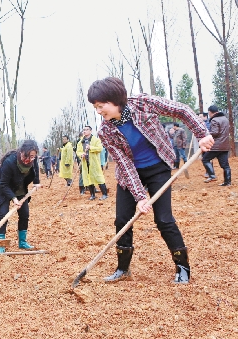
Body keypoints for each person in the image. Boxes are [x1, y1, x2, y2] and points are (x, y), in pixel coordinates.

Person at [87, 77, 213, 284]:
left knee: (163, 219)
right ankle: (122, 268)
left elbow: (180, 110)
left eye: (101, 106)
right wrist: (139, 196)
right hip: (130, 175)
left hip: (157, 169)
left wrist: (201, 133)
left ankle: (182, 267)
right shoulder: (105, 131)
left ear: (115, 99)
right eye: (96, 108)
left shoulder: (142, 103)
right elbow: (124, 164)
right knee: (122, 220)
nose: (99, 111)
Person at [0, 140, 41, 250]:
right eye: (28, 156)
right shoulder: (9, 162)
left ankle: (22, 242)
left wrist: (36, 182)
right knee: (3, 214)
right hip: (3, 187)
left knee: (24, 213)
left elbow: (35, 168)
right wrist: (13, 198)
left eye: (32, 157)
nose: (30, 159)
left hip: (19, 186)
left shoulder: (32, 159)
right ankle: (1, 245)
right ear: (22, 152)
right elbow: (3, 184)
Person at [76, 126, 109, 200]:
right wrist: (81, 154)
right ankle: (92, 195)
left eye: (87, 130)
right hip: (85, 163)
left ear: (90, 131)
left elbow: (100, 148)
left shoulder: (96, 140)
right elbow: (78, 151)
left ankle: (105, 194)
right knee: (89, 179)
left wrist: (91, 148)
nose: (85, 131)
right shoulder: (81, 142)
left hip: (94, 163)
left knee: (98, 177)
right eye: (84, 130)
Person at [203, 105, 232, 186]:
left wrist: (207, 133)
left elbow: (215, 133)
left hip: (216, 146)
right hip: (225, 146)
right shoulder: (225, 119)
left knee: (205, 159)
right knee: (225, 165)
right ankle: (227, 182)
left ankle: (212, 175)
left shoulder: (214, 120)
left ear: (210, 112)